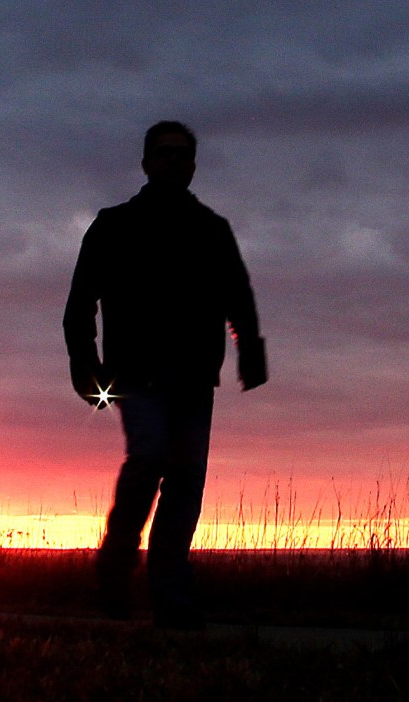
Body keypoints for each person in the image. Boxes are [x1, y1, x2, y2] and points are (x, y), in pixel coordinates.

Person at [63, 119, 267, 628]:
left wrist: (251, 351)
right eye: (164, 153)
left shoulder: (212, 229)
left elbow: (237, 294)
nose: (174, 161)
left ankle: (170, 598)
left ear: (193, 165)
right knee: (150, 456)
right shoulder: (113, 226)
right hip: (135, 373)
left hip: (196, 376)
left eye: (182, 154)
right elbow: (80, 302)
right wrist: (84, 366)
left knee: (184, 483)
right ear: (147, 162)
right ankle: (116, 563)